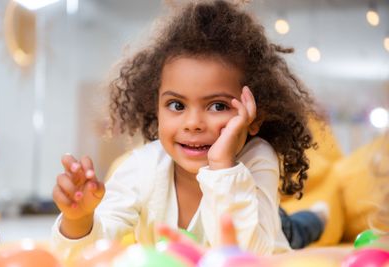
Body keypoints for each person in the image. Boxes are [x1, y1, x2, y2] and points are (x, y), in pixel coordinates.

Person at [51, 0, 323, 260]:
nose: (193, 123)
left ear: (252, 116)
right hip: (248, 219)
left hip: (262, 221)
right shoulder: (142, 167)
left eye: (217, 106)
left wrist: (222, 165)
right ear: (155, 107)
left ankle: (319, 216)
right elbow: (94, 248)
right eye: (176, 104)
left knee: (297, 230)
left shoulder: (257, 157)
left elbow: (252, 255)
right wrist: (79, 219)